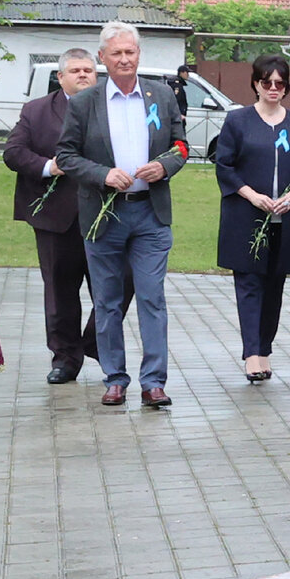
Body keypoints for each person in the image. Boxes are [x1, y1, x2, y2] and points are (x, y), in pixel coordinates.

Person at [56, 21, 187, 408]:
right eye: (117, 53)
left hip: (150, 213)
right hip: (104, 214)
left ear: (138, 54)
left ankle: (154, 382)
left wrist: (165, 165)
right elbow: (66, 155)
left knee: (151, 298)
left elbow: (181, 145)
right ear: (103, 58)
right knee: (108, 301)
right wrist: (102, 174)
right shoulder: (84, 103)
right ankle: (115, 377)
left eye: (130, 52)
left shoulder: (161, 96)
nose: (125, 59)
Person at [5, 47, 113, 385]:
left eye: (89, 70)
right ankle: (65, 359)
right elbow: (13, 152)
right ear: (60, 77)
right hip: (55, 218)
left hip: (105, 217)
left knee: (116, 288)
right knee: (60, 292)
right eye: (76, 70)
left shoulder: (113, 108)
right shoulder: (36, 111)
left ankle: (94, 343)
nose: (83, 75)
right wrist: (49, 167)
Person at [215, 54, 290, 383]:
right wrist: (252, 195)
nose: (273, 88)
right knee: (250, 285)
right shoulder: (238, 121)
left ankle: (265, 349)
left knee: (274, 287)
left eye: (279, 83)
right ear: (255, 83)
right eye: (266, 82)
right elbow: (224, 165)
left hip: (287, 218)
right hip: (246, 217)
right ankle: (251, 353)